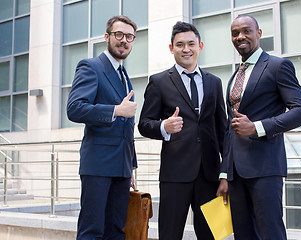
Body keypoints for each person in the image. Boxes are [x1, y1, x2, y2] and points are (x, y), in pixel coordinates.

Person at [216, 15, 301, 240]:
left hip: (265, 168)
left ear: (259, 33)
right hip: (236, 173)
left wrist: (257, 127)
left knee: (270, 233)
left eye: (246, 31)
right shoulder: (235, 76)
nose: (240, 36)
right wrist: (224, 174)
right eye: (235, 33)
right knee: (243, 234)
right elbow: (232, 128)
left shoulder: (278, 66)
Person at [138, 21, 227, 240]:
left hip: (209, 174)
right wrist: (163, 127)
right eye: (180, 45)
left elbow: (222, 130)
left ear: (200, 46)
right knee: (170, 233)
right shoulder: (158, 82)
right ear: (171, 48)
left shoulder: (214, 82)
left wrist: (226, 173)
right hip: (175, 173)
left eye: (191, 44)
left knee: (210, 235)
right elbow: (144, 123)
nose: (186, 49)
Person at [67, 15, 138, 240]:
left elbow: (127, 128)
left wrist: (131, 166)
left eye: (129, 37)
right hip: (98, 165)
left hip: (121, 167)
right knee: (92, 231)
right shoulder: (91, 66)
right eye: (119, 35)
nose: (124, 40)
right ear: (107, 37)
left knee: (116, 231)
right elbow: (75, 108)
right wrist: (115, 110)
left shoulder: (124, 74)